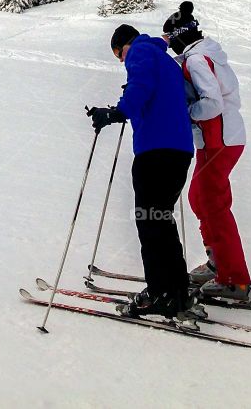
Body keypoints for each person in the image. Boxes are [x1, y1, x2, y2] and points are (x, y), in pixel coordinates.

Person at [87, 23, 195, 320]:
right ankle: (176, 292)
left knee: (150, 222)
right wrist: (128, 104)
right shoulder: (166, 60)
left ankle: (161, 293)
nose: (122, 60)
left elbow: (141, 85)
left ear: (125, 44)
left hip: (155, 151)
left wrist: (117, 112)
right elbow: (155, 92)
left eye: (118, 54)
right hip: (179, 151)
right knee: (161, 220)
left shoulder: (140, 51)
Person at [163, 1, 251, 301]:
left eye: (169, 37)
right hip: (216, 139)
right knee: (199, 198)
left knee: (213, 204)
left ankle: (235, 279)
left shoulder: (198, 60)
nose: (168, 43)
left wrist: (186, 112)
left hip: (220, 138)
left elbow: (212, 103)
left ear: (179, 36)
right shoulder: (204, 54)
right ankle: (218, 262)